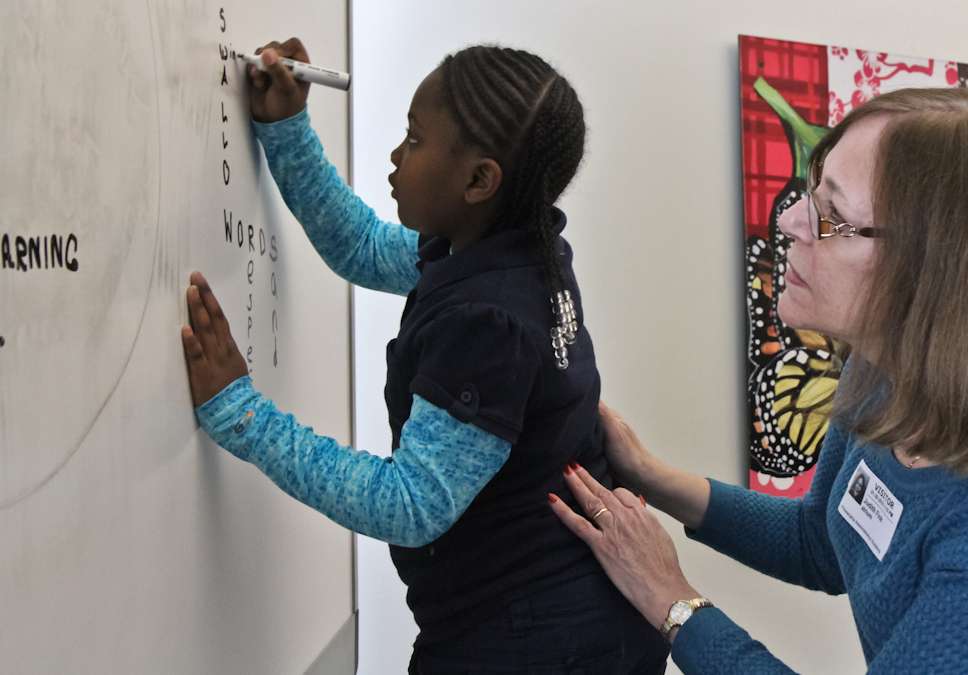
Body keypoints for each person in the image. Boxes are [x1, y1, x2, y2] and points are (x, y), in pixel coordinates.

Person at [548, 87, 968, 673]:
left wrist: (670, 599)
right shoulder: (889, 368)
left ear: (944, 271)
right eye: (812, 192)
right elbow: (824, 541)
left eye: (831, 216)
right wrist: (653, 477)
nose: (790, 223)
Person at [180, 39, 668, 673]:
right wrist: (287, 130)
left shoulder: (490, 321)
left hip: (541, 645)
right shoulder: (511, 246)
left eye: (414, 140)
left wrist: (241, 415)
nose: (394, 155)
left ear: (479, 180)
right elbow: (359, 245)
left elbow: (408, 506)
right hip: (566, 622)